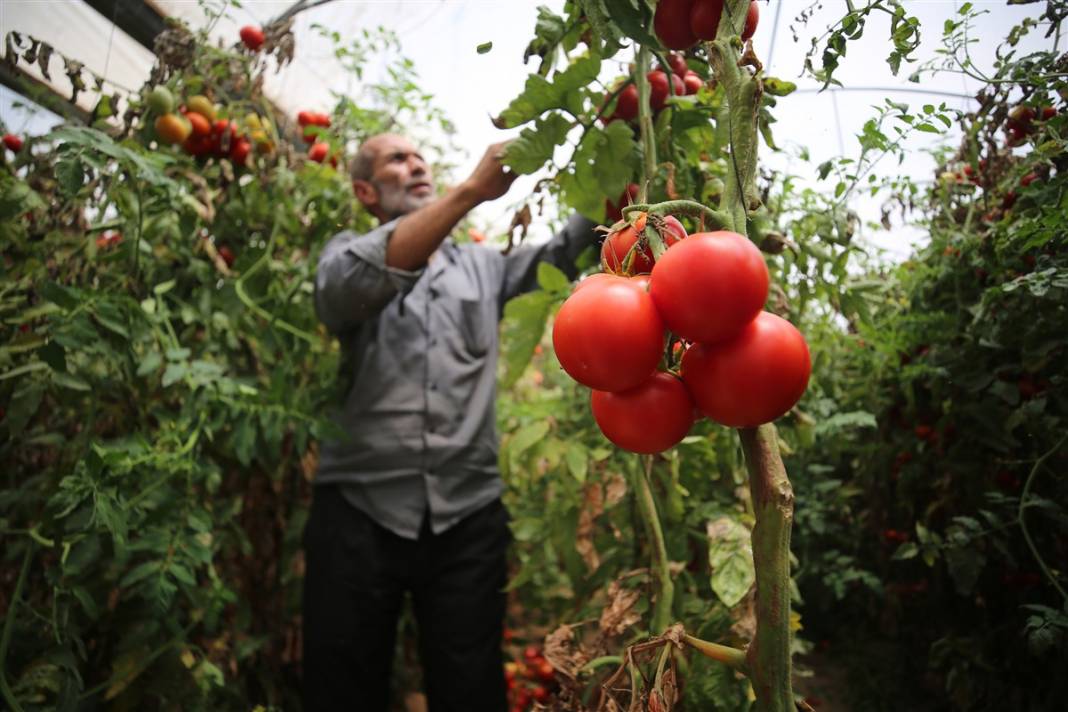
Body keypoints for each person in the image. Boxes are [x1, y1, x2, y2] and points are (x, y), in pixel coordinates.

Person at [302, 133, 600, 711]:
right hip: (359, 512)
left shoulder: (483, 268)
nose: (415, 164)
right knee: (342, 685)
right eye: (397, 159)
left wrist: (618, 150)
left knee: (470, 686)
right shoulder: (345, 256)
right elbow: (350, 290)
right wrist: (470, 193)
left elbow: (565, 252)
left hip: (467, 514)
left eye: (419, 156)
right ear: (366, 192)